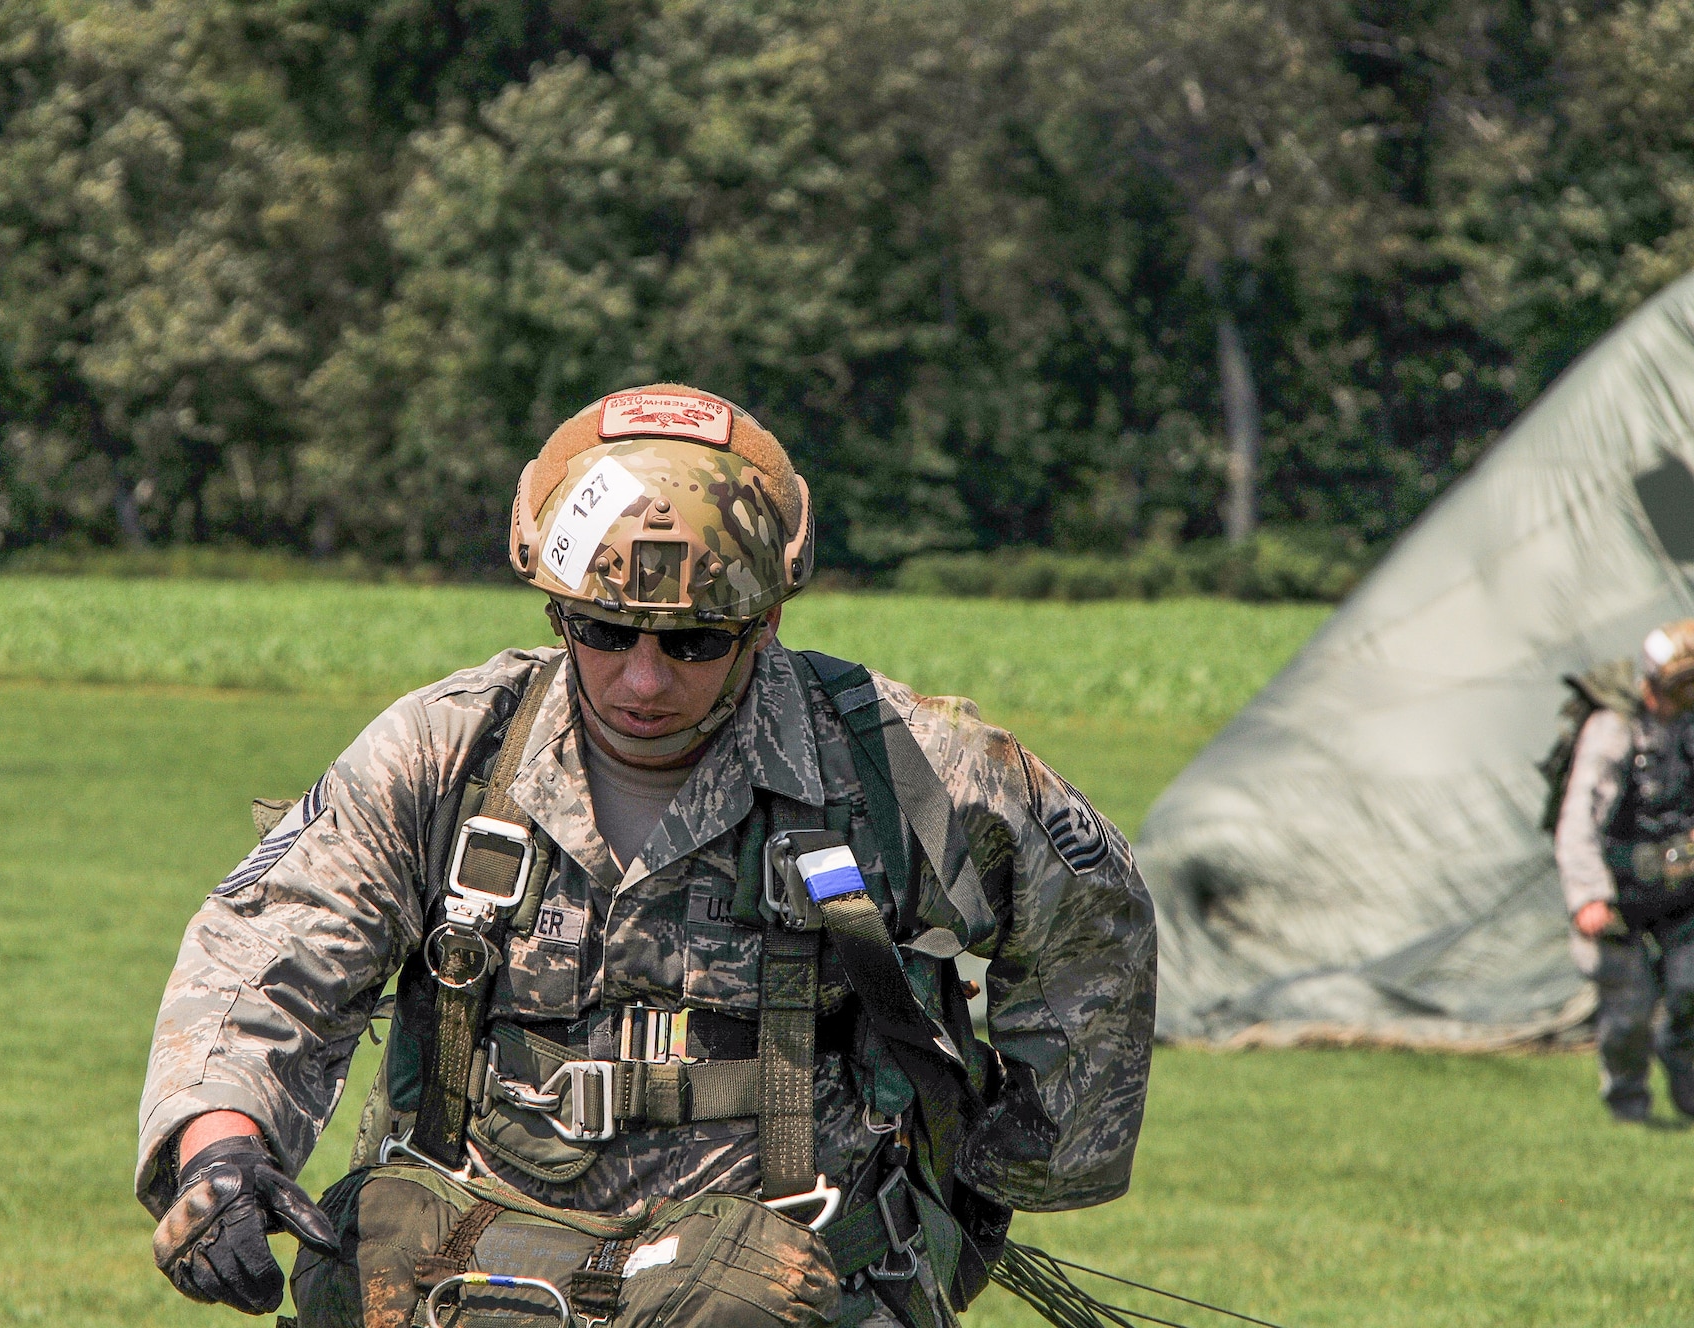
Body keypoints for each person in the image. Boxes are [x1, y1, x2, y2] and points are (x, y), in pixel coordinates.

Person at [136, 385, 1156, 1328]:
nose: (641, 678)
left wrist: (1009, 1166)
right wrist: (220, 1144)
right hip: (481, 1266)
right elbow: (269, 947)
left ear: (764, 623)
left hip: (795, 1276)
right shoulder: (447, 750)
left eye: (692, 641)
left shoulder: (898, 766)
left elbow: (1091, 912)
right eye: (603, 629)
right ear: (555, 613)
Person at [1557, 619, 1694, 1122]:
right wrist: (1588, 896)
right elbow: (1578, 821)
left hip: (1683, 892)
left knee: (1691, 990)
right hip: (1617, 894)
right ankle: (1628, 1106)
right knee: (1628, 1012)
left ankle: (1687, 1081)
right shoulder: (1614, 730)